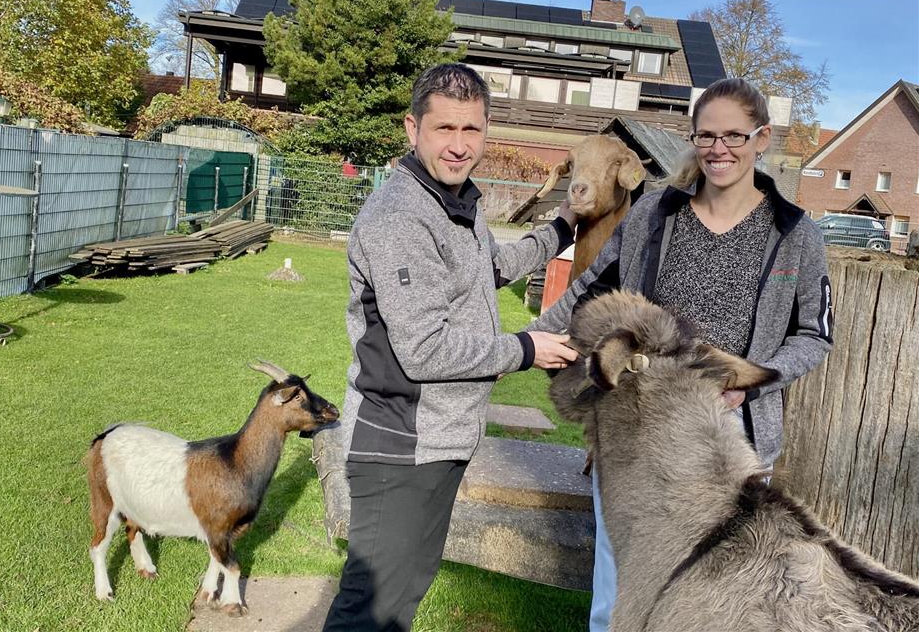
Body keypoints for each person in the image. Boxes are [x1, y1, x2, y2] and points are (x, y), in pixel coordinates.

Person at [527, 77, 834, 631]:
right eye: (706, 135)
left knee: (717, 600)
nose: (719, 148)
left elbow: (815, 334)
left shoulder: (796, 234)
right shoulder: (654, 216)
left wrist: (760, 374)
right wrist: (522, 342)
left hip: (733, 439)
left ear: (761, 139)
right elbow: (590, 289)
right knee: (616, 593)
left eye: (735, 136)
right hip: (639, 428)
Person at [322, 63, 580, 632]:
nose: (460, 147)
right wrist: (526, 349)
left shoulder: (454, 203)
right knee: (369, 609)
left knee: (405, 590)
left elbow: (490, 267)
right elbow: (424, 351)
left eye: (472, 131)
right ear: (412, 130)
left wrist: (562, 229)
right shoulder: (402, 216)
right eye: (445, 130)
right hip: (399, 443)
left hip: (440, 437)